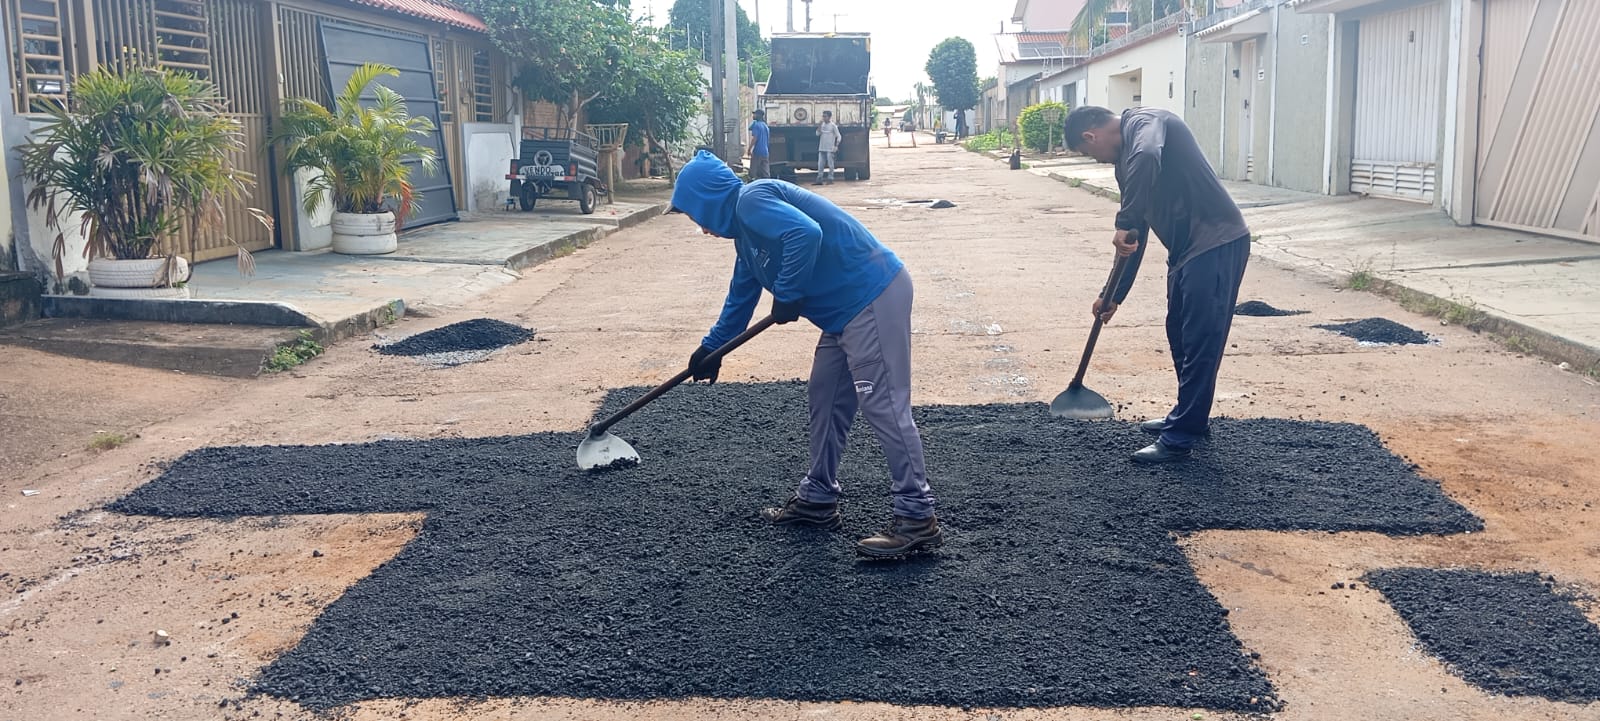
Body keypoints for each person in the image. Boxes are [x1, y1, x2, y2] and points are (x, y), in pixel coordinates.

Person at [668, 150, 941, 558]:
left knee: (883, 405)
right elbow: (739, 301)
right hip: (841, 315)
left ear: (707, 199)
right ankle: (817, 499)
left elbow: (805, 234)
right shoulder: (746, 241)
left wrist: (789, 293)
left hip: (873, 294)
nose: (701, 227)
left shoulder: (752, 199)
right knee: (825, 399)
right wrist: (711, 349)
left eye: (695, 215)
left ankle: (917, 517)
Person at [1063, 105, 1252, 464]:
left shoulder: (1145, 123)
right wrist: (1112, 295)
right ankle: (1189, 415)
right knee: (1179, 334)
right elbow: (1135, 236)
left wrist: (1125, 218)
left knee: (1200, 341)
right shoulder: (1127, 165)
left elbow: (1148, 154)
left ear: (1091, 136)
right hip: (1185, 251)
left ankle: (1181, 436)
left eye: (1089, 153)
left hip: (1216, 242)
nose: (1097, 160)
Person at [816, 110, 840, 185]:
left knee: (830, 164)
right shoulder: (822, 125)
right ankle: (819, 178)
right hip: (822, 147)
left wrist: (836, 145)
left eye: (825, 116)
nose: (824, 118)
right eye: (823, 116)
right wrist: (819, 126)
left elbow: (838, 136)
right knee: (820, 164)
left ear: (829, 117)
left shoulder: (833, 126)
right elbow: (817, 134)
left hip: (830, 148)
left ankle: (830, 178)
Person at [748, 109, 771, 180]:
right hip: (765, 152)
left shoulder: (757, 125)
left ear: (759, 115)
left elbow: (755, 138)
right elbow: (749, 128)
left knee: (753, 172)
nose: (753, 116)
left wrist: (749, 149)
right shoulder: (765, 126)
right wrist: (755, 122)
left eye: (755, 114)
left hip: (758, 151)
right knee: (765, 172)